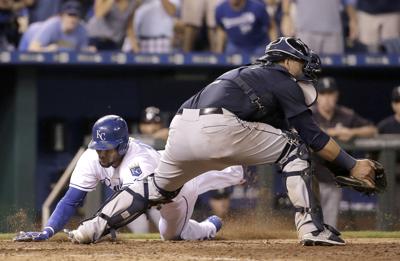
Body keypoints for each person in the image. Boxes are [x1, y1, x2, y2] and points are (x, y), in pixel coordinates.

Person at [68, 37, 378, 246]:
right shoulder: (281, 78)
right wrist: (351, 164)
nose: (305, 66)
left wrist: (332, 161)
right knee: (295, 149)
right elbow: (309, 137)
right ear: (285, 60)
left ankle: (89, 230)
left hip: (182, 125)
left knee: (157, 188)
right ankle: (312, 228)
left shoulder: (248, 75)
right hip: (220, 127)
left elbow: (295, 135)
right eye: (300, 61)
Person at [15, 115, 244, 242]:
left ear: (123, 145)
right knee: (173, 232)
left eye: (108, 149)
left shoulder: (137, 161)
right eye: (98, 148)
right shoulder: (92, 157)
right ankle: (210, 225)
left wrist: (99, 228)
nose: (102, 153)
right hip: (158, 172)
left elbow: (136, 203)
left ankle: (236, 164)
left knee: (172, 236)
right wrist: (48, 231)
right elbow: (71, 200)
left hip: (175, 189)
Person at [312, 77, 377, 229]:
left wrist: (351, 132)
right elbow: (296, 129)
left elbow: (372, 130)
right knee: (310, 223)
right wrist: (330, 132)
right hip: (311, 177)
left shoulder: (346, 115)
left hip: (334, 179)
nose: (327, 98)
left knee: (329, 224)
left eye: (330, 94)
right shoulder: (309, 115)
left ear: (336, 96)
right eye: (323, 94)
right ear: (317, 96)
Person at [280, 0, 358, 54]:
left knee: (334, 74)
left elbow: (348, 2)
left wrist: (353, 19)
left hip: (333, 32)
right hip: (306, 31)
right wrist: (286, 15)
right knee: (305, 71)